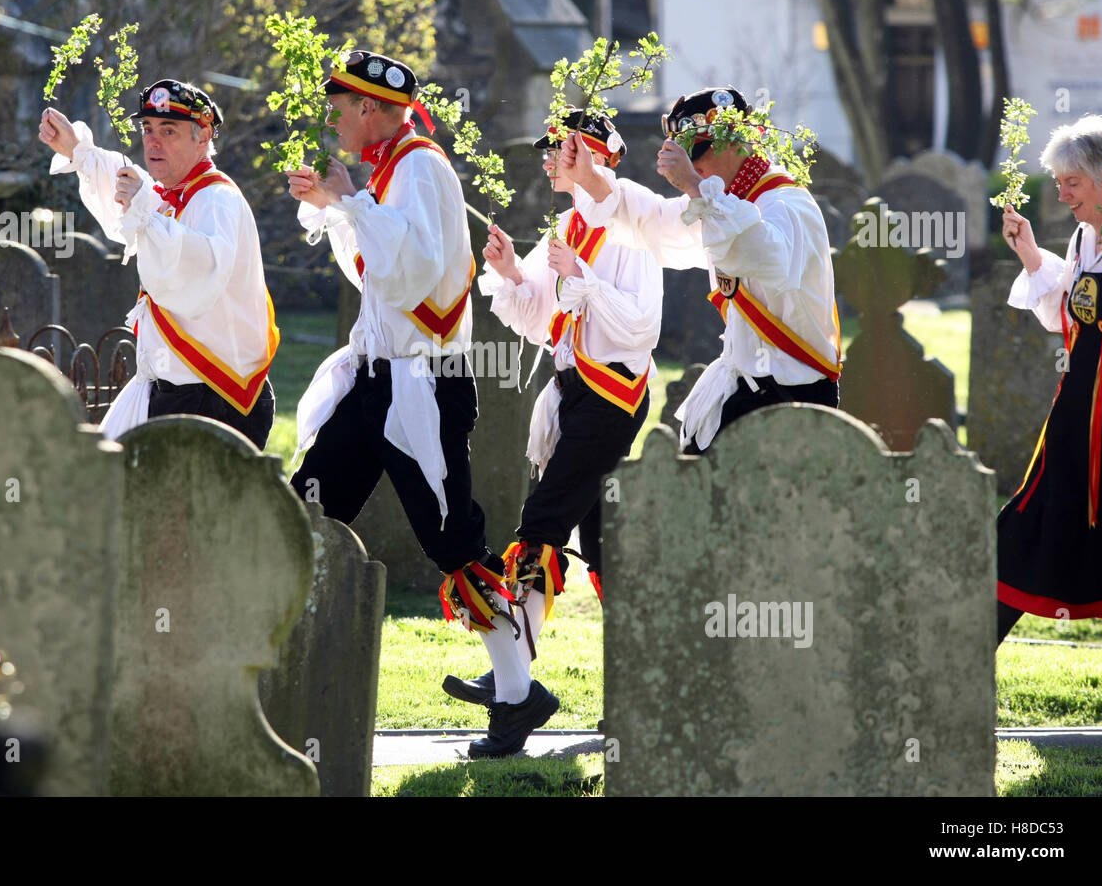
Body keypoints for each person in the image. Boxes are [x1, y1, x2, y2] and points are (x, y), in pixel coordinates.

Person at [284, 49, 558, 758]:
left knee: (454, 544)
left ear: (372, 109)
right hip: (377, 380)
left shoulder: (421, 166)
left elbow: (412, 274)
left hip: (421, 385)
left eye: (342, 107)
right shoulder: (396, 170)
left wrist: (351, 201)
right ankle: (276, 679)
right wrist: (339, 209)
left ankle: (518, 693)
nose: (334, 118)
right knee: (304, 508)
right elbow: (377, 270)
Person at [441, 111, 662, 708]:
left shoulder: (627, 227)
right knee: (597, 540)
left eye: (558, 150)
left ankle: (513, 679)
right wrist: (513, 269)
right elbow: (541, 317)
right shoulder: (566, 224)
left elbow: (641, 326)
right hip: (572, 394)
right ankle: (646, 670)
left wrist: (582, 278)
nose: (547, 159)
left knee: (541, 522)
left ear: (588, 157)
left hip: (612, 395)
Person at [559, 86, 841, 454]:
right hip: (746, 390)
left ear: (736, 142)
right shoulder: (725, 202)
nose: (695, 166)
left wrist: (695, 187)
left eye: (699, 152)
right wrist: (590, 178)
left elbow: (763, 256)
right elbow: (657, 222)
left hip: (796, 396)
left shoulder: (786, 203)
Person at [38, 79, 278, 448]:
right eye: (147, 128)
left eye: (169, 130)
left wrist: (144, 212)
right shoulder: (175, 195)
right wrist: (76, 150)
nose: (152, 141)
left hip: (215, 396)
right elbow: (136, 192)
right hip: (176, 391)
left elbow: (197, 273)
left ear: (204, 136)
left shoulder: (216, 199)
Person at [997, 115, 1102, 645]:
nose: (1063, 195)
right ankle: (960, 668)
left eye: (1073, 183)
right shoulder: (1083, 240)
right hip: (1076, 414)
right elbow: (1064, 317)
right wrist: (1027, 250)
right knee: (1030, 520)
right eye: (1060, 182)